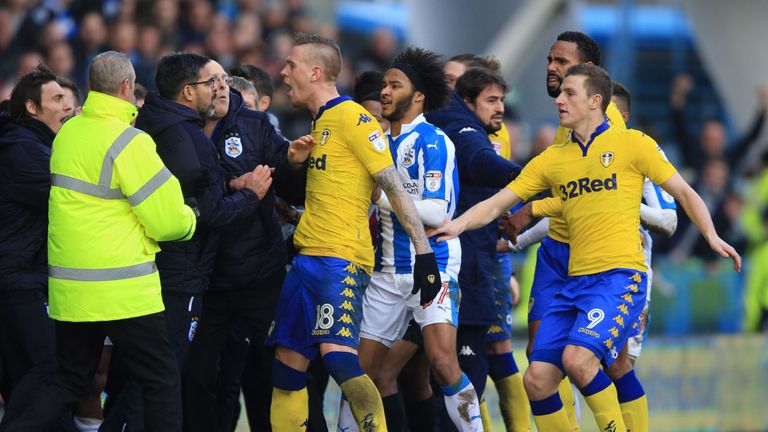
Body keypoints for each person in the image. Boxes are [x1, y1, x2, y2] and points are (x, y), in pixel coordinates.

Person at [430, 63, 740, 432]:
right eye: (560, 93)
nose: (558, 99)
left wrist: (711, 235)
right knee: (537, 380)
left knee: (579, 362)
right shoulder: (554, 159)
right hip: (572, 284)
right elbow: (498, 203)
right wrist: (457, 224)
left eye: (569, 93)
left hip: (619, 277)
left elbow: (685, 192)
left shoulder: (632, 144)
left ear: (595, 101)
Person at [0, 50, 197, 432]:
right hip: (124, 290)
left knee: (69, 378)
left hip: (72, 290)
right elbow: (167, 221)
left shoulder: (69, 134)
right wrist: (193, 219)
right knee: (160, 380)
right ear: (127, 86)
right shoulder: (131, 142)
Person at [265, 32, 441, 431]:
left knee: (338, 355)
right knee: (286, 369)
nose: (283, 72)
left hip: (339, 262)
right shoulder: (321, 121)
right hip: (307, 259)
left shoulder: (353, 118)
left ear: (313, 71)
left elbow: (392, 185)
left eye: (290, 65)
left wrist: (424, 254)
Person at [501, 80, 679, 431]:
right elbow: (565, 213)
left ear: (619, 115)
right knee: (557, 365)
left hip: (626, 274)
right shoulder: (577, 156)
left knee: (615, 365)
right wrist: (516, 241)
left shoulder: (637, 155)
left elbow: (669, 221)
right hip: (582, 273)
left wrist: (622, 203)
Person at [344, 47, 481, 432]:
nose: (384, 91)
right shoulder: (374, 143)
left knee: (442, 363)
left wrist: (381, 197)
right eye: (384, 85)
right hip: (386, 270)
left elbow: (439, 212)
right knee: (361, 372)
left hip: (432, 266)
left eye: (394, 85)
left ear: (417, 95)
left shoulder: (433, 142)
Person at [184, 60, 311, 432]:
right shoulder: (176, 133)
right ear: (190, 92)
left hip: (260, 275)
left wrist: (292, 165)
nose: (221, 87)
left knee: (277, 370)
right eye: (212, 81)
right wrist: (233, 188)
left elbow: (291, 192)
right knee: (198, 377)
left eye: (224, 80)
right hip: (205, 280)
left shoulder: (253, 126)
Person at [425, 65, 522, 424]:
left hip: (469, 262)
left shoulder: (455, 124)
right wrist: (530, 177)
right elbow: (480, 162)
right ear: (467, 100)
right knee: (466, 371)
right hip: (462, 269)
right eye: (492, 100)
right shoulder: (463, 129)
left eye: (502, 101)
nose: (500, 108)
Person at [0, 65, 72, 427]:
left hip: (18, 276)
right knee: (52, 366)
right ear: (32, 108)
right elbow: (70, 200)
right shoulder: (25, 149)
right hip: (22, 279)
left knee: (23, 374)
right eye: (57, 99)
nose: (66, 107)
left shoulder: (26, 143)